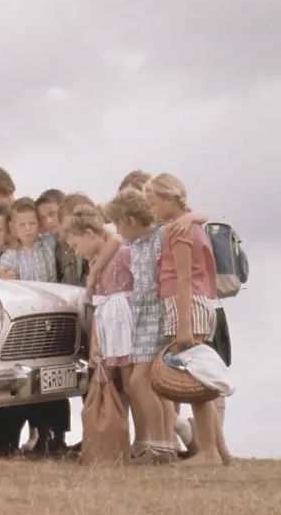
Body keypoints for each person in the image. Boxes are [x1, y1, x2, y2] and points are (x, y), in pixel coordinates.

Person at [145, 174, 230, 466]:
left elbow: (183, 278)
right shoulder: (188, 223)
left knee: (194, 382)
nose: (151, 208)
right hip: (194, 304)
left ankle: (208, 452)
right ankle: (220, 451)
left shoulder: (179, 231)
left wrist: (182, 327)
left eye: (154, 202)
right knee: (198, 380)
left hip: (186, 305)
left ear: (169, 200)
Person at [61, 206, 142, 444]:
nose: (76, 252)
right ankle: (117, 437)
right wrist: (95, 341)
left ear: (90, 234)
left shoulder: (122, 253)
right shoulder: (97, 261)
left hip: (123, 323)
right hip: (109, 327)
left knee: (131, 383)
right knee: (116, 384)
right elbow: (98, 304)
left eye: (76, 246)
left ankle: (147, 436)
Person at [105, 187, 174, 463]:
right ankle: (160, 444)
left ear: (130, 221)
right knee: (144, 383)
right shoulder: (134, 244)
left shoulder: (159, 236)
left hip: (156, 314)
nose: (119, 232)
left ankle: (159, 445)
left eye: (121, 225)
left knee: (139, 381)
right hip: (142, 315)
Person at [0, 198, 57, 282]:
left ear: (38, 223)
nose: (28, 229)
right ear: (12, 226)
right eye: (22, 225)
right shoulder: (9, 256)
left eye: (32, 223)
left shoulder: (51, 242)